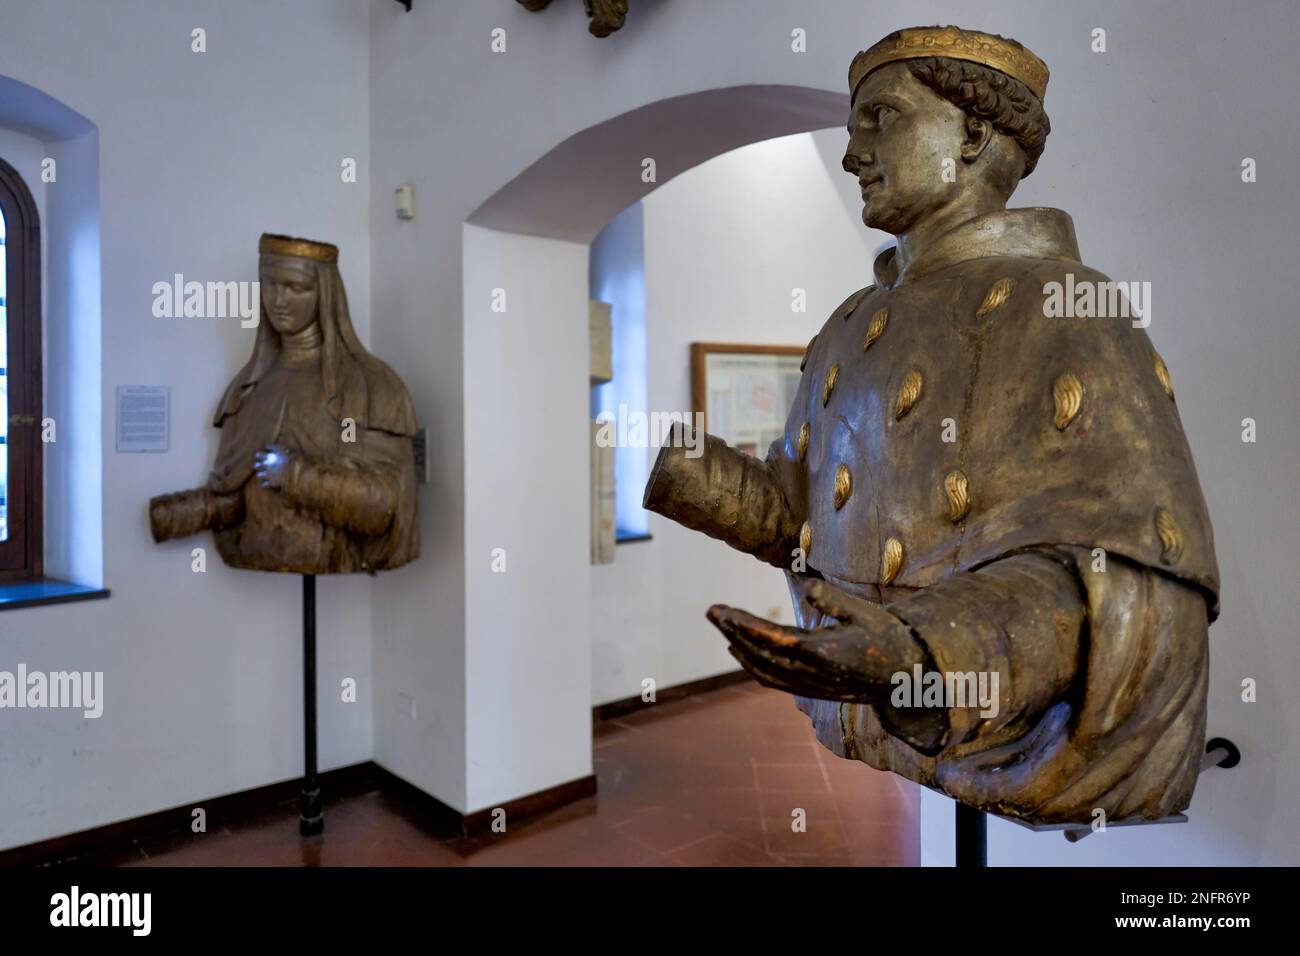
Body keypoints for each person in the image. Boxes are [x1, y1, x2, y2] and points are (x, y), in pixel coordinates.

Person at [643, 26, 1219, 824]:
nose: (852, 154)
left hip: (979, 720)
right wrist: (680, 468)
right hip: (868, 705)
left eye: (881, 118)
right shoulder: (851, 323)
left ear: (973, 133)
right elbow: (802, 515)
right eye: (852, 128)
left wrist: (928, 656)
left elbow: (1120, 575)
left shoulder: (1067, 307)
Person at [149, 234, 418, 575]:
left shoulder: (369, 387)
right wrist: (181, 513)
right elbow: (238, 497)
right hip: (262, 556)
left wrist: (294, 476)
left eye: (295, 287)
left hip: (333, 557)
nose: (279, 300)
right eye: (270, 285)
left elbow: (384, 504)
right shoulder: (248, 388)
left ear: (325, 291)